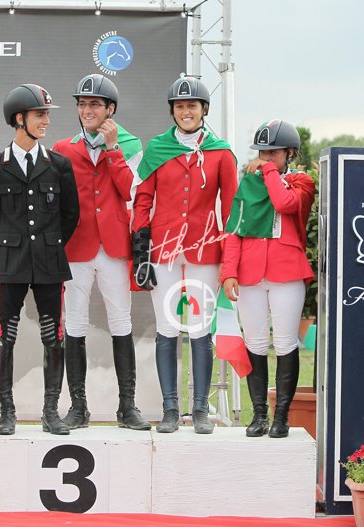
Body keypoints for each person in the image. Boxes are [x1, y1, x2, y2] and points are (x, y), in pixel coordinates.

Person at [132, 76, 238, 434]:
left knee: (200, 329)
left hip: (204, 251)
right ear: (173, 111)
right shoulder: (157, 148)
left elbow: (231, 210)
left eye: (192, 105)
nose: (186, 112)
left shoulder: (221, 153)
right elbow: (143, 201)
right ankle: (170, 410)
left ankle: (201, 409)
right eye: (180, 106)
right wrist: (141, 252)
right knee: (166, 329)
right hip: (163, 251)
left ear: (203, 109)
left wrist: (229, 261)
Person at [0, 83, 79, 436]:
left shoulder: (59, 165)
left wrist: (48, 245)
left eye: (47, 114)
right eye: (40, 114)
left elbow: (70, 215)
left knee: (53, 336)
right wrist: (16, 243)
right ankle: (7, 413)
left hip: (50, 262)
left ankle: (50, 412)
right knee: (5, 336)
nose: (46, 121)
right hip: (10, 262)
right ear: (19, 118)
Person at [53, 74, 150, 431]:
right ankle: (78, 407)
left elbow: (131, 192)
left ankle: (127, 406)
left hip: (113, 246)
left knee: (121, 322)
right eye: (82, 104)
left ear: (110, 109)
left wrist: (112, 150)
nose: (87, 110)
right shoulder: (63, 148)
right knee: (74, 324)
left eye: (94, 104)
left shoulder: (131, 144)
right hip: (76, 245)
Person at [221, 120, 315, 438]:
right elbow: (234, 229)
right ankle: (259, 415)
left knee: (286, 343)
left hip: (287, 271)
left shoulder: (302, 182)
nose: (265, 157)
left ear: (290, 153)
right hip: (249, 273)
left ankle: (282, 417)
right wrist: (229, 272)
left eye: (273, 152)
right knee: (256, 344)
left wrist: (269, 171)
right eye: (262, 151)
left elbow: (284, 203)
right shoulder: (248, 183)